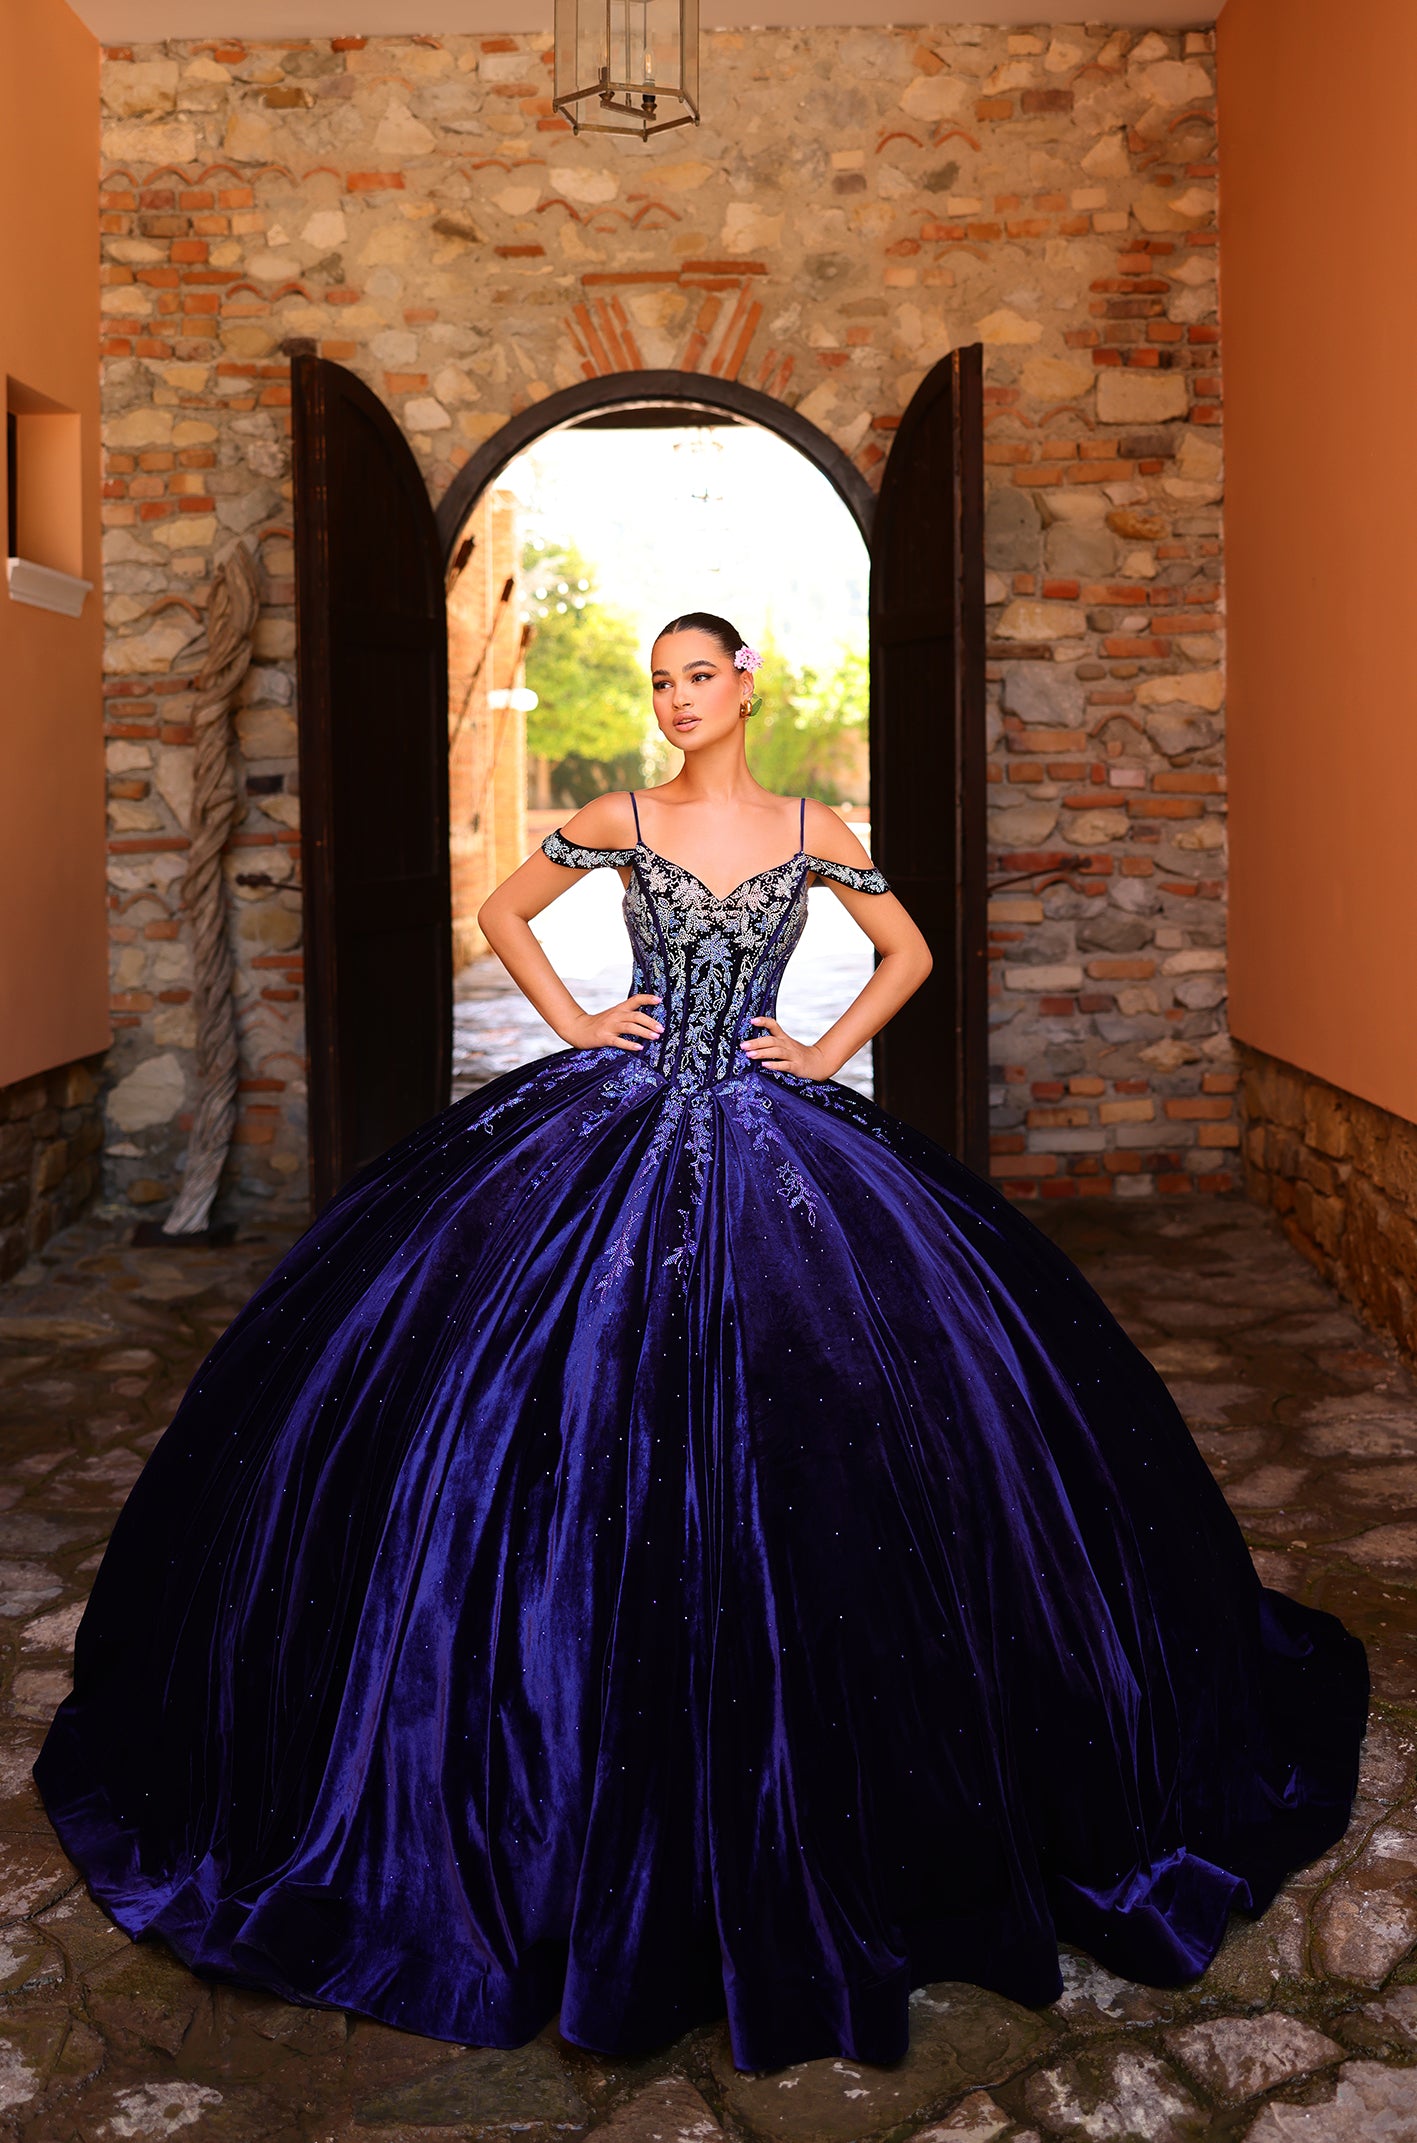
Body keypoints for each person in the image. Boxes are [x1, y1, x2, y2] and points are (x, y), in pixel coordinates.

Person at [34, 612, 1368, 2076]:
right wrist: (576, 1020)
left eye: (697, 677)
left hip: (771, 1126)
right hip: (618, 1110)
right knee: (532, 1401)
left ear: (748, 686)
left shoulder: (815, 823)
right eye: (659, 682)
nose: (675, 701)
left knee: (852, 1412)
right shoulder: (618, 815)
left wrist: (825, 1046)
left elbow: (907, 948)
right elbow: (501, 914)